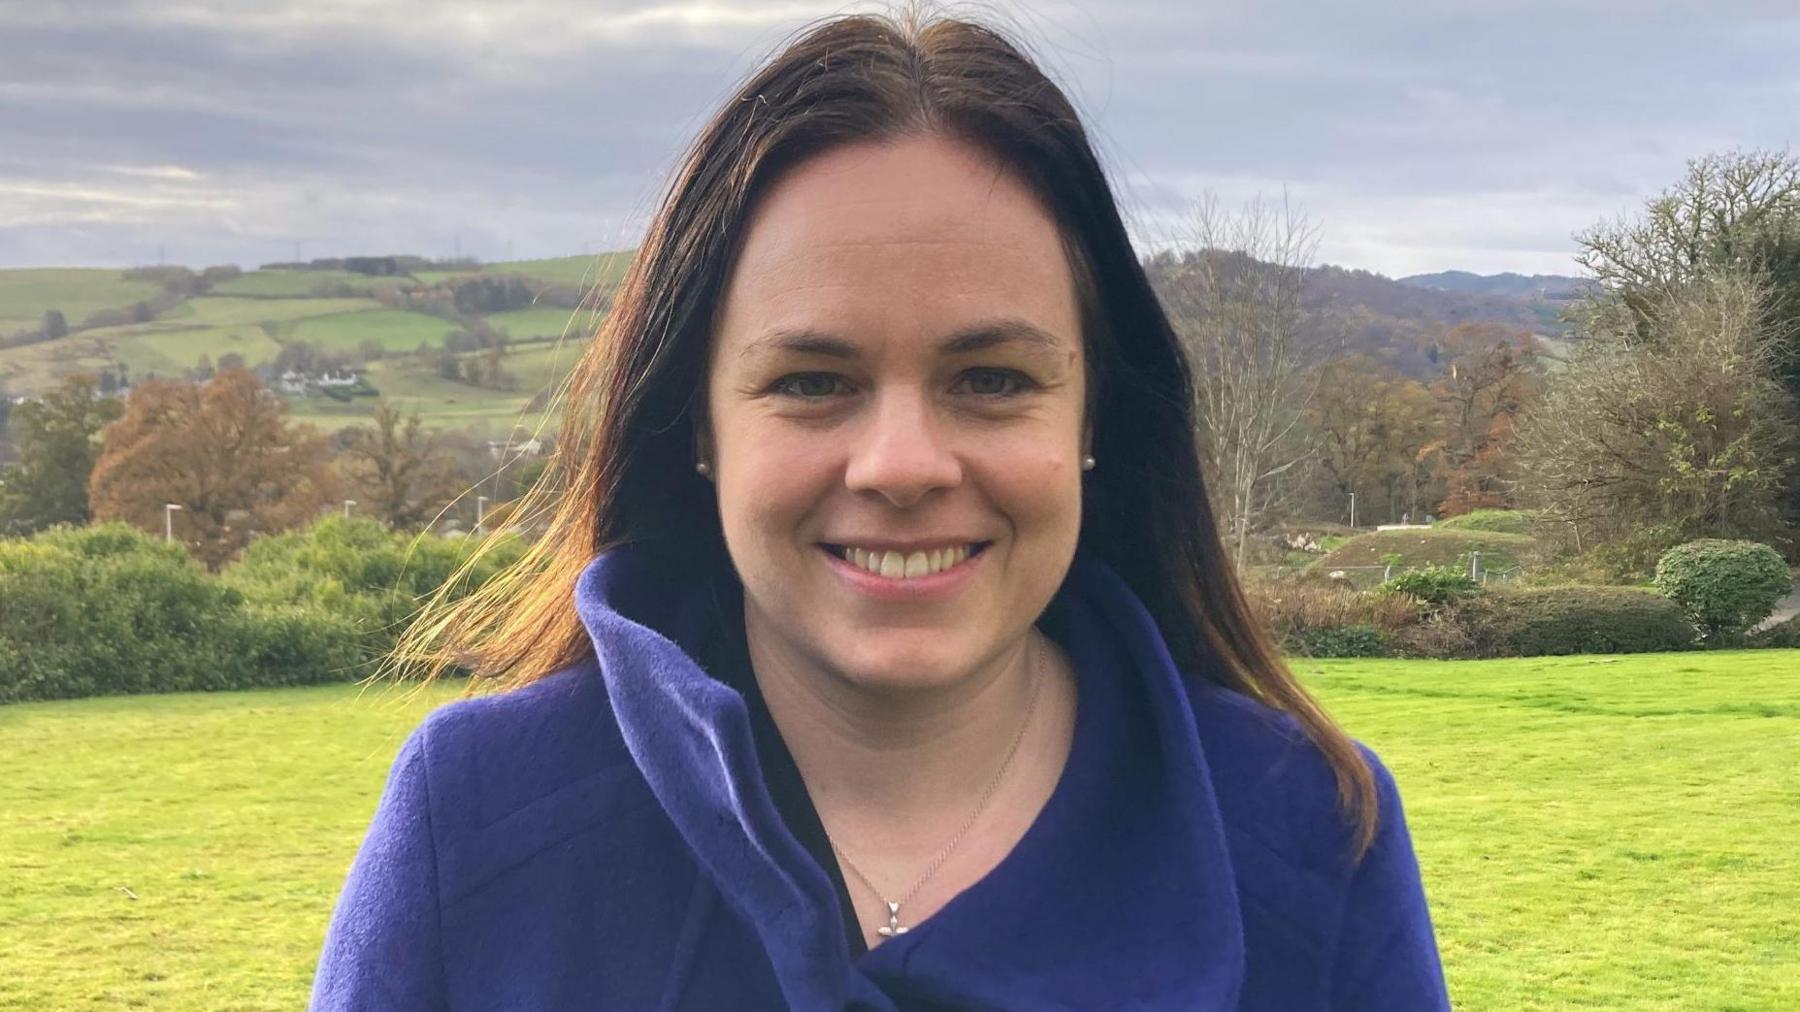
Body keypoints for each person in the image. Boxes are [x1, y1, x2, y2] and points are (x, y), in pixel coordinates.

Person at [309, 11, 1449, 1011]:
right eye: (812, 382)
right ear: (700, 427)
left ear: (1094, 415)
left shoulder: (1310, 832)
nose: (901, 464)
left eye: (993, 379)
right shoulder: (478, 821)